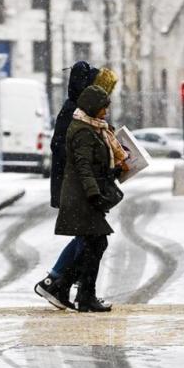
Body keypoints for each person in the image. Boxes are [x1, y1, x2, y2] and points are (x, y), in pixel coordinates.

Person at [34, 63, 119, 309]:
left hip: (80, 185)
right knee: (90, 238)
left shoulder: (83, 114)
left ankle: (60, 284)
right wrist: (88, 177)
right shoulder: (75, 113)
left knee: (89, 238)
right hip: (76, 187)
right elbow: (67, 150)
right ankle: (58, 283)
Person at [51, 85, 126, 312]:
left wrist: (114, 172)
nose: (106, 112)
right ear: (94, 107)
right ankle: (81, 295)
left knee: (92, 244)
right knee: (95, 243)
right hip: (81, 197)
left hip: (84, 195)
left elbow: (95, 165)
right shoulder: (83, 131)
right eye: (104, 108)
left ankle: (69, 290)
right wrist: (94, 194)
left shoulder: (93, 127)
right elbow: (83, 168)